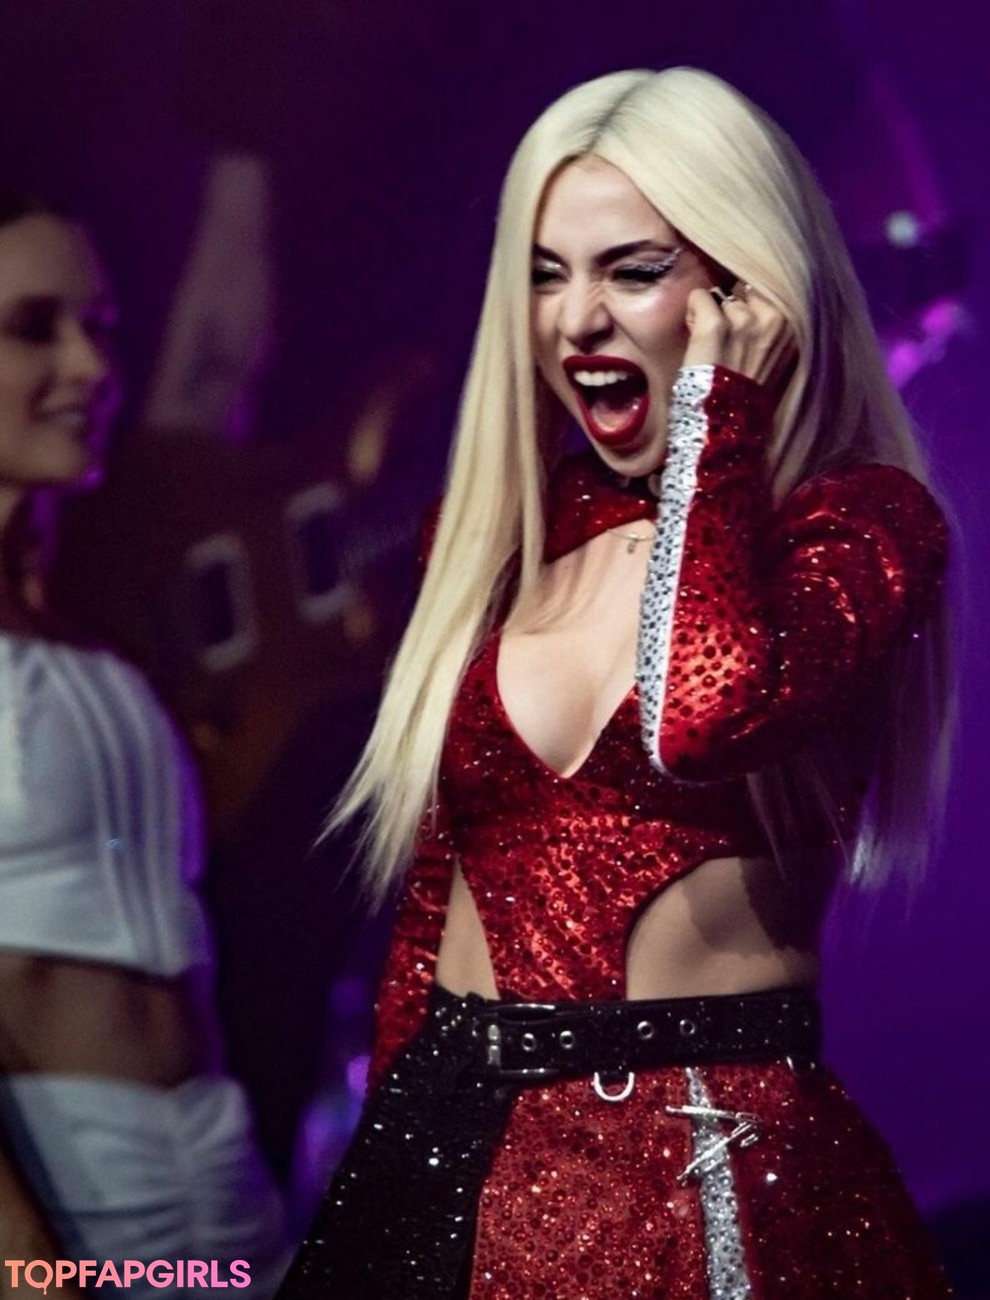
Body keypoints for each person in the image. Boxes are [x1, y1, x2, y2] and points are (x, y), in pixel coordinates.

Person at [278, 68, 954, 1299]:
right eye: (547, 274)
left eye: (633, 271)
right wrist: (386, 1166)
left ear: (749, 290)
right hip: (442, 1148)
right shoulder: (502, 538)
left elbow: (705, 713)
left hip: (697, 1165)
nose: (577, 319)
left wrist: (719, 418)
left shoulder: (859, 527)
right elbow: (437, 898)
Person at [0, 191, 286, 1296]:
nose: (88, 366)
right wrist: (25, 1266)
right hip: (61, 1187)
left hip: (223, 1173)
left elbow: (210, 379)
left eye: (99, 328)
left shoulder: (92, 622)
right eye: (34, 328)